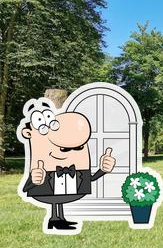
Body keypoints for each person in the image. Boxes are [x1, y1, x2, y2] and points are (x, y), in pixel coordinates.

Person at [18, 98, 116, 233]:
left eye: (79, 147)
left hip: (67, 187)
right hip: (48, 186)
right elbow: (26, 188)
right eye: (64, 149)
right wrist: (34, 180)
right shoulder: (42, 166)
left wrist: (103, 170)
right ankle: (54, 219)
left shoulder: (77, 170)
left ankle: (59, 218)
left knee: (59, 199)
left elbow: (90, 179)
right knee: (55, 199)